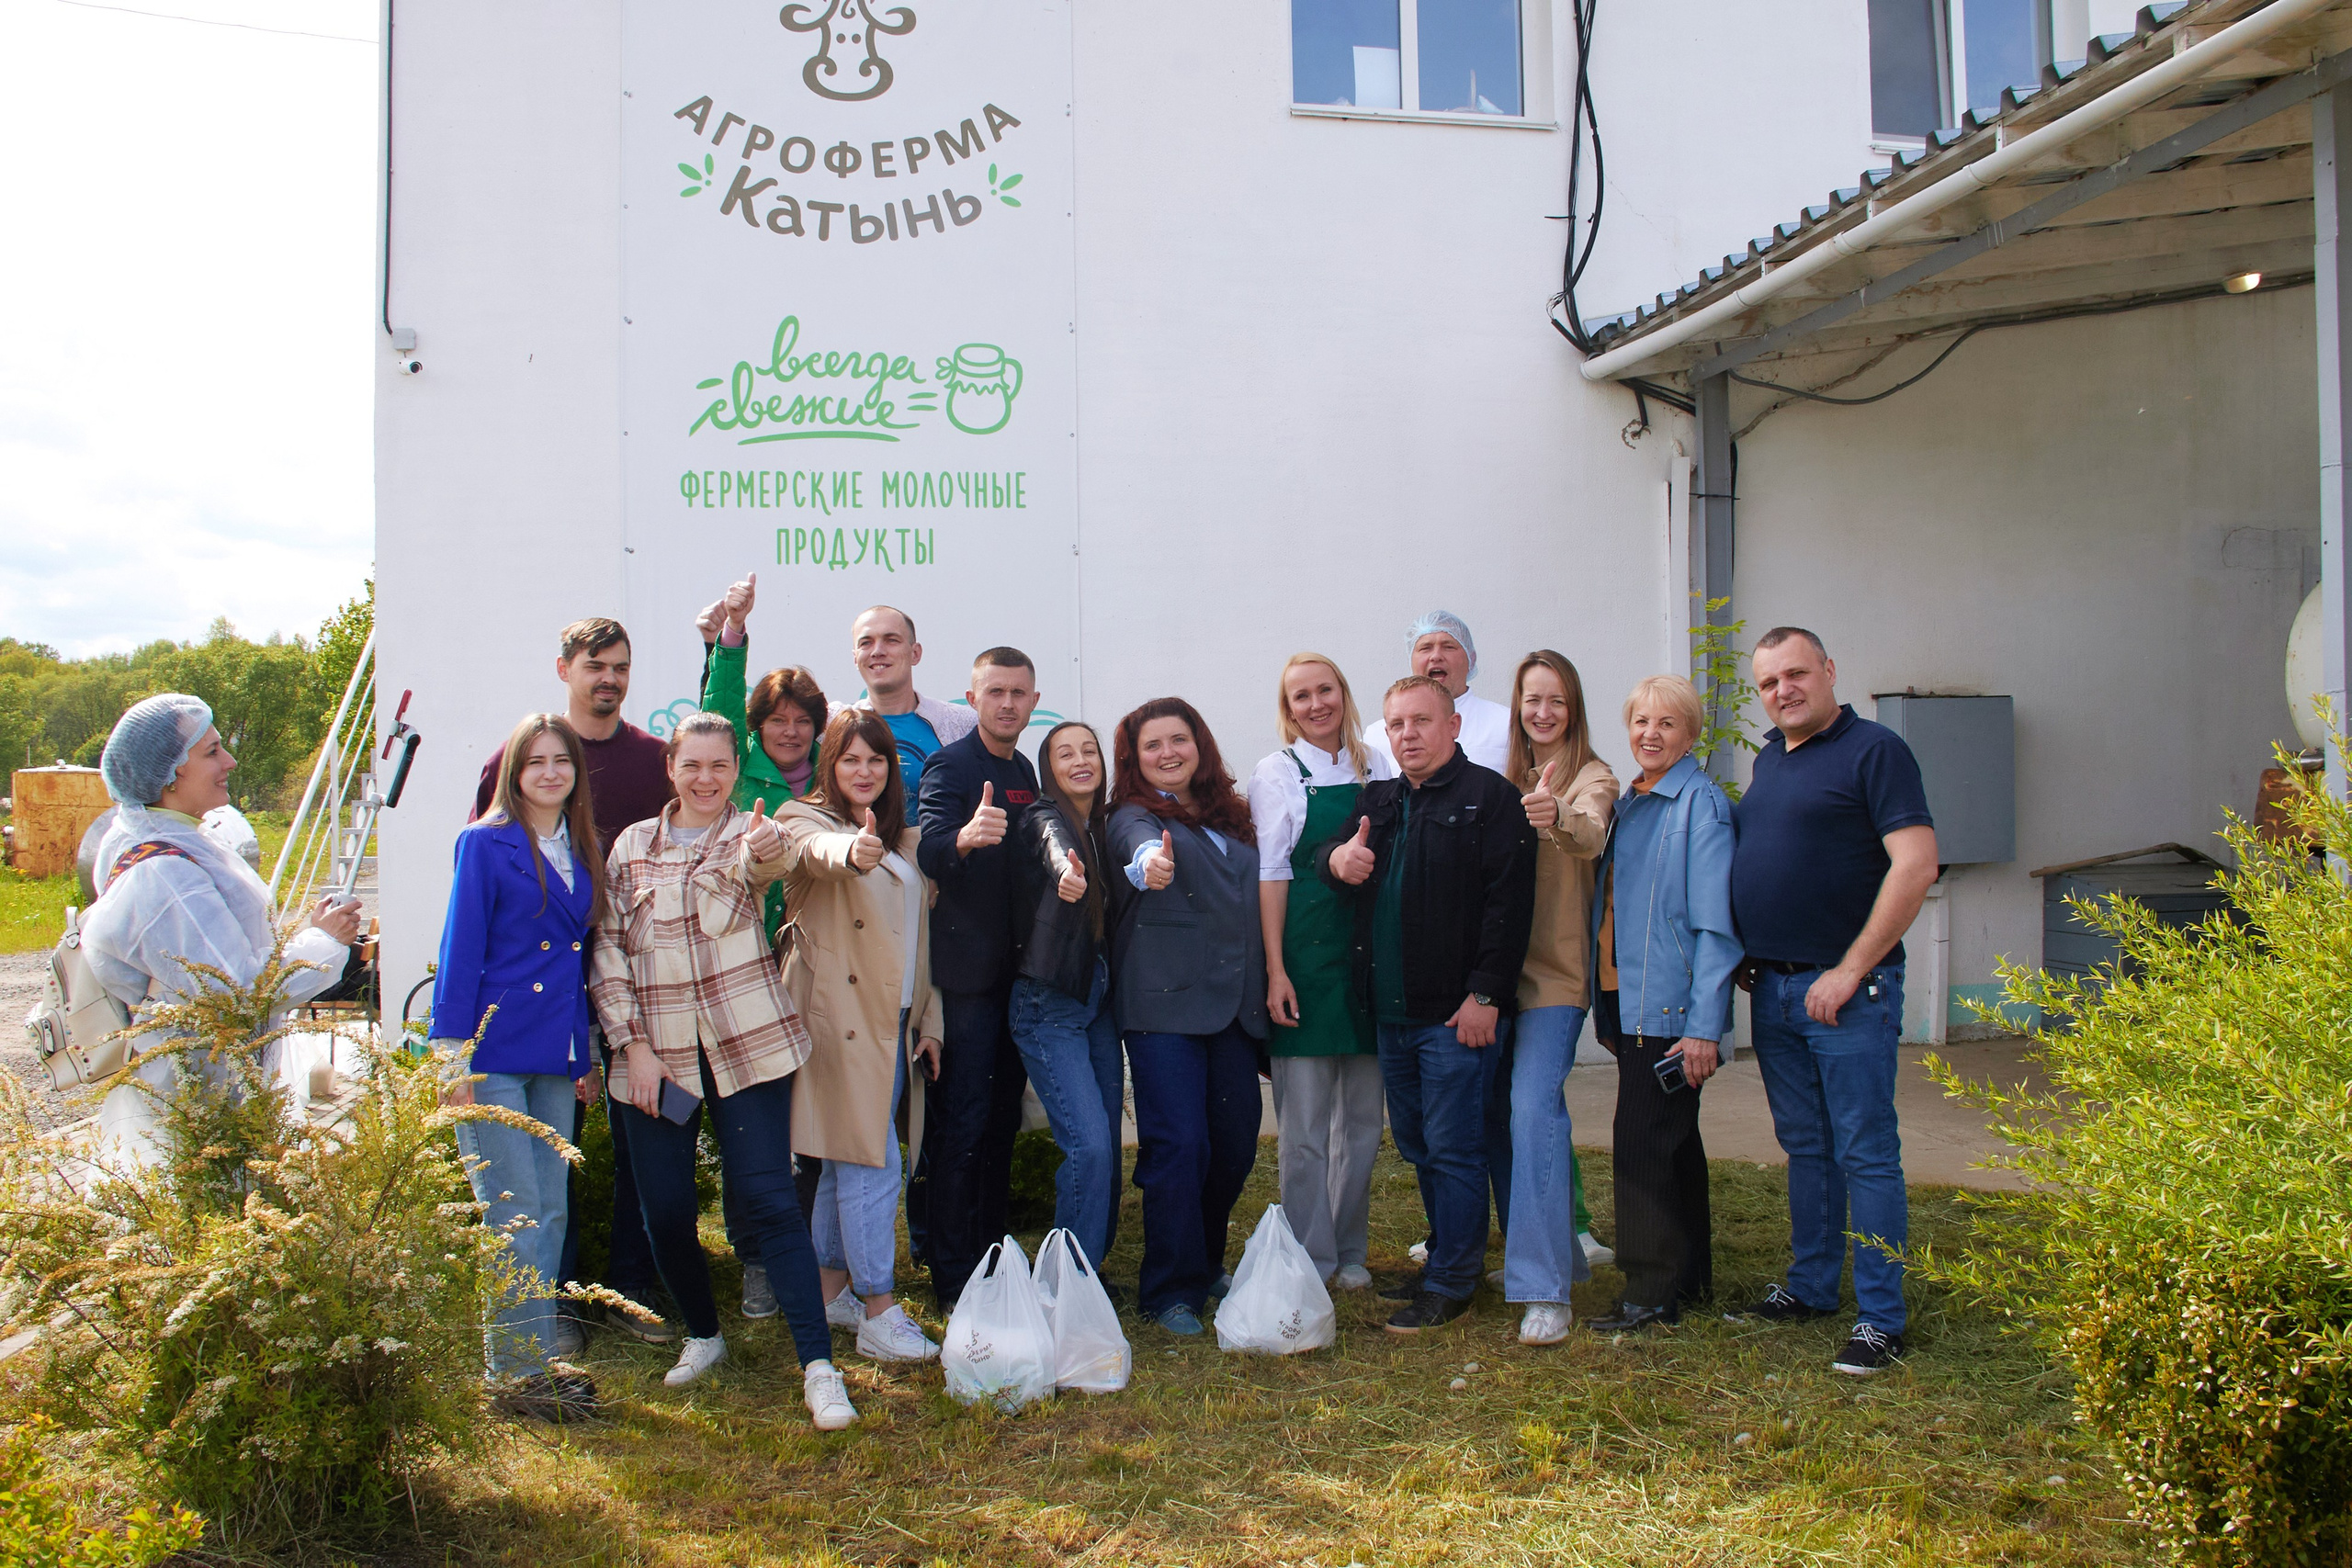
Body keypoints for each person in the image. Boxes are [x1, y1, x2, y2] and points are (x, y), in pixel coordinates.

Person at [587, 713, 856, 1429]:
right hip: (657, 1059)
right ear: (670, 768)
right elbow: (608, 949)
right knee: (667, 1210)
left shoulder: (751, 833)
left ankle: (818, 1366)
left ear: (739, 770)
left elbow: (764, 865)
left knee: (771, 1201)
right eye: (692, 765)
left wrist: (766, 848)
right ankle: (703, 1332)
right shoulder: (630, 847)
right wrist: (629, 1044)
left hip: (750, 1046)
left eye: (720, 767)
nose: (707, 779)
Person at [1730, 627, 1937, 1376]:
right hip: (1778, 987)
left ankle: (1881, 1318)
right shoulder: (1770, 759)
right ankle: (1812, 1286)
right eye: (1768, 682)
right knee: (1807, 1147)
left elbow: (1915, 865)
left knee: (1865, 1151)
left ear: (1829, 671)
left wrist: (1852, 967)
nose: (1782, 690)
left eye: (1795, 674)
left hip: (1847, 990)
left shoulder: (1875, 751)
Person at [469, 616, 676, 1347]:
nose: (609, 678)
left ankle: (629, 1288)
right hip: (538, 1004)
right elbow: (479, 907)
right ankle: (545, 1309)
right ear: (565, 668)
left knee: (632, 1142)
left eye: (621, 665)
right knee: (535, 1169)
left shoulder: (655, 760)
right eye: (595, 665)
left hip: (626, 983)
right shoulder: (512, 763)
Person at [1322, 676, 1535, 1335]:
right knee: (1417, 1143)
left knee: (1454, 1146)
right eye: (1396, 724)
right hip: (1392, 1011)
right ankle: (1448, 1255)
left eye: (1421, 720)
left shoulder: (1491, 800)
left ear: (1454, 727)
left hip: (1456, 1015)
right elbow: (1330, 860)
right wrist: (1338, 859)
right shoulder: (1378, 800)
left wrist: (1485, 996)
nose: (1408, 733)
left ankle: (1451, 1281)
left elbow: (1509, 906)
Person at [82, 695, 361, 1166]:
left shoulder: (169, 839)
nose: (229, 761)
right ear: (170, 775)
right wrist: (325, 943)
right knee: (205, 1219)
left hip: (211, 1079)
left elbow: (223, 962)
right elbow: (238, 994)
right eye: (211, 752)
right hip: (197, 1093)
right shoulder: (165, 876)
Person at [428, 714, 605, 1422]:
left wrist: (582, 1051)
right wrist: (451, 1057)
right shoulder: (484, 842)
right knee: (513, 1210)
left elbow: (575, 965)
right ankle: (513, 1374)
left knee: (552, 1207)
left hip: (554, 1053)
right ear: (513, 773)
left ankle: (533, 1357)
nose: (551, 773)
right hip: (493, 1050)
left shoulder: (583, 845)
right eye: (535, 762)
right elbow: (460, 949)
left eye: (562, 760)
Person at [775, 709, 945, 1362]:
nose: (865, 771)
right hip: (840, 1025)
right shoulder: (802, 818)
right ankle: (878, 1307)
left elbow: (919, 943)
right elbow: (817, 856)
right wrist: (851, 850)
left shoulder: (904, 839)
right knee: (874, 1164)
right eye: (851, 759)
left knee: (848, 1161)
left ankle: (827, 1292)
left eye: (876, 759)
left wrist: (927, 1020)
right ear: (830, 765)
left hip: (893, 1027)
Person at [1584, 674, 1739, 1335]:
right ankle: (1689, 1274)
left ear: (1691, 733)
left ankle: (1648, 1291)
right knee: (1674, 1141)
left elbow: (1715, 926)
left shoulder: (1698, 804)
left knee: (1642, 1143)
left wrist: (1705, 1026)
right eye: (1641, 721)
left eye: (1667, 723)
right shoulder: (1634, 800)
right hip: (1625, 997)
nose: (1651, 734)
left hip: (1668, 1008)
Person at [1108, 698, 1269, 1335]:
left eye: (1179, 739)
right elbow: (1135, 848)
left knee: (1232, 1145)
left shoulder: (1232, 817)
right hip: (1163, 1008)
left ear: (1199, 744)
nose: (1168, 752)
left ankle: (1204, 1263)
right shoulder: (1131, 816)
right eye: (1153, 745)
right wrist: (1149, 863)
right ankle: (1169, 1288)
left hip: (1233, 1008)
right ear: (1135, 757)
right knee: (1180, 1145)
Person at [697, 574, 834, 1315]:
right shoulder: (737, 765)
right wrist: (732, 636)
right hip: (742, 967)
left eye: (801, 718)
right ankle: (754, 1256)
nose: (789, 730)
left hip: (810, 963)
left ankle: (801, 1249)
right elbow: (718, 701)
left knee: (805, 1116)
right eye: (775, 719)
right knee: (750, 1117)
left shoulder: (832, 784)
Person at [1246, 654, 1392, 1292]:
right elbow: (1272, 872)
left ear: (1344, 691)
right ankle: (1312, 1251)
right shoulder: (1276, 773)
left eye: (1325, 689)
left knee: (1361, 1119)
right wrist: (1276, 968)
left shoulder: (1377, 764)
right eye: (1300, 695)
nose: (1316, 704)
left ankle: (1350, 1246)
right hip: (1305, 956)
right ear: (1288, 708)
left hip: (1366, 957)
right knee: (1304, 1124)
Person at [912, 649, 1043, 1307]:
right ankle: (951, 1273)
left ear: (1033, 698)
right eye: (995, 691)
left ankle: (993, 1254)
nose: (1008, 703)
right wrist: (965, 837)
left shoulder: (1024, 768)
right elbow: (929, 846)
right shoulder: (950, 764)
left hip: (1015, 979)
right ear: (972, 697)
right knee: (960, 1125)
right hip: (964, 982)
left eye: (1019, 692)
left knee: (999, 1123)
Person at [1500, 651, 1619, 1346]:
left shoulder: (1592, 776)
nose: (1542, 711)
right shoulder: (1499, 771)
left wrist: (1554, 813)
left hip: (1554, 977)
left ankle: (1544, 1290)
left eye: (1556, 700)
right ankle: (1564, 1259)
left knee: (1534, 1110)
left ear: (1573, 708)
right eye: (1531, 699)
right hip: (1490, 979)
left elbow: (1591, 828)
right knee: (1504, 1117)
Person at [1008, 720, 1125, 1272]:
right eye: (1064, 754)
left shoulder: (1101, 823)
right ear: (1048, 768)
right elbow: (1050, 845)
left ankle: (1089, 1272)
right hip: (1048, 1004)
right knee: (1090, 1146)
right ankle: (1064, 1284)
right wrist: (1066, 874)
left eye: (1089, 751)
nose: (1080, 761)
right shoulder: (1044, 815)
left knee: (1105, 1144)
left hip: (1096, 997)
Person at [1362, 611, 1512, 773]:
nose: (1436, 656)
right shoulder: (1376, 737)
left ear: (1471, 658)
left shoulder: (1506, 724)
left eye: (1448, 647)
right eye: (1425, 648)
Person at [847, 604, 978, 787]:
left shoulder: (963, 725)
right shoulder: (833, 725)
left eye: (891, 640)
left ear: (915, 653)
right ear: (855, 658)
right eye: (866, 643)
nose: (877, 651)